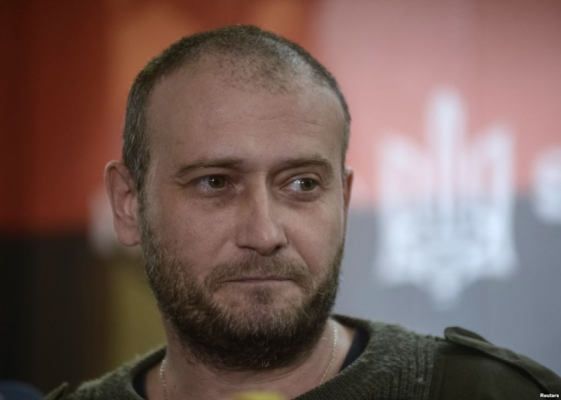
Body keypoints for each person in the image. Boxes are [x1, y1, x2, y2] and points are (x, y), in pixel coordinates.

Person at [47, 25, 560, 400]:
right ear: (129, 204)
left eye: (302, 184)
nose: (264, 232)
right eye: (215, 183)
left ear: (343, 200)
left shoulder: (490, 393)